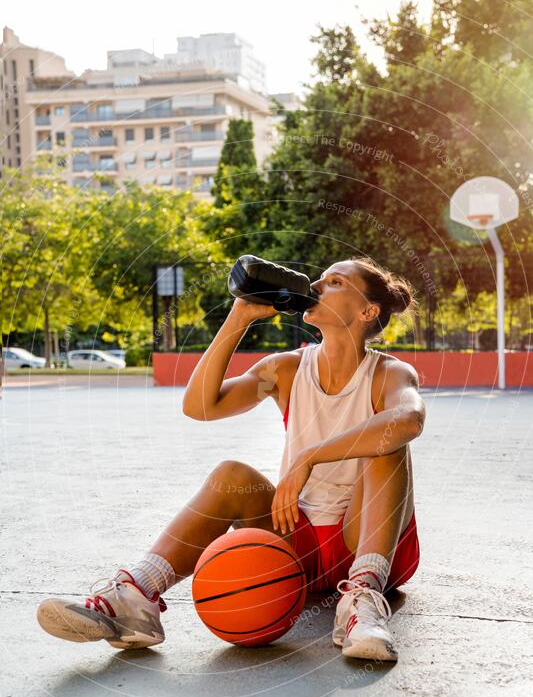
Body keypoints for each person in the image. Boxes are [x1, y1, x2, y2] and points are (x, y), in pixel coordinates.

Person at [37, 256, 425, 661]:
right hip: (300, 539)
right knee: (230, 475)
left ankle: (362, 603)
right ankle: (135, 599)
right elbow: (200, 406)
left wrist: (309, 456)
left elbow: (409, 419)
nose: (316, 286)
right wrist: (239, 317)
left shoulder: (389, 373)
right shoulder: (288, 368)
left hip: (367, 537)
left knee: (389, 442)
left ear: (367, 311)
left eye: (335, 282)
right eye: (321, 279)